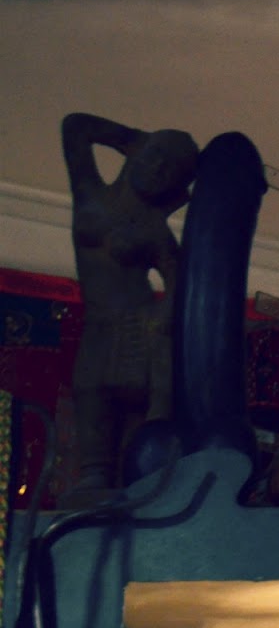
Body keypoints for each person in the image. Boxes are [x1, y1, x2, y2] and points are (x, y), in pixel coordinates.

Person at [61, 112, 199, 500]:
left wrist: (163, 321)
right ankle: (94, 479)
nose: (156, 169)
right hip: (98, 323)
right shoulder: (90, 193)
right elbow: (75, 127)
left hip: (139, 324)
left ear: (176, 187)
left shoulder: (155, 230)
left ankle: (132, 482)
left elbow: (179, 283)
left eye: (170, 171)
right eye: (155, 155)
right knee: (89, 391)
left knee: (137, 413)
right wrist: (133, 138)